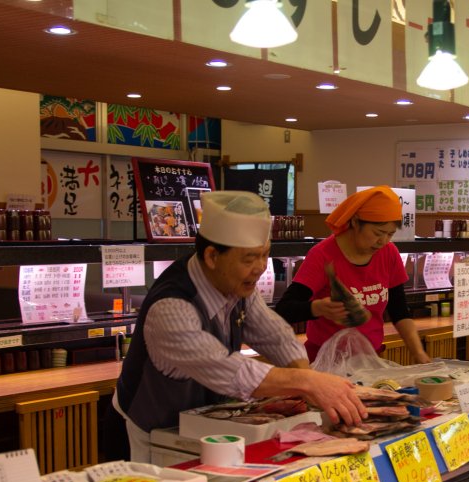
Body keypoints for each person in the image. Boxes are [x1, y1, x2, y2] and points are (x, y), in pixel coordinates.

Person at [113, 191, 367, 462]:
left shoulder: (236, 284)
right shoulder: (172, 307)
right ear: (212, 256)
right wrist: (309, 382)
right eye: (249, 258)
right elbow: (229, 370)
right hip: (145, 436)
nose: (260, 268)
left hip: (199, 429)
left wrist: (307, 382)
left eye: (265, 255)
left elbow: (275, 336)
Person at [275, 185, 432, 365]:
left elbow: (399, 310)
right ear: (356, 222)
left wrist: (418, 352)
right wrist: (317, 308)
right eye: (378, 233)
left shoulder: (389, 253)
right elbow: (284, 310)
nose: (383, 241)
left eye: (390, 234)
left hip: (369, 361)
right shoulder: (323, 255)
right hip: (325, 362)